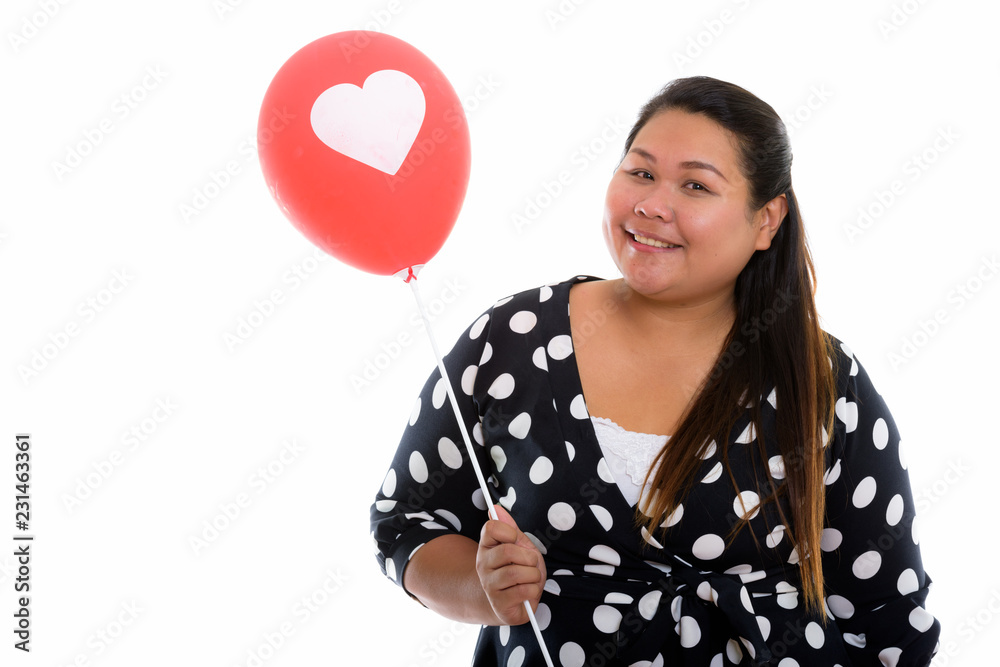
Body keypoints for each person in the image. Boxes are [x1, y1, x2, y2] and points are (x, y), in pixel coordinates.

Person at [370, 76, 940, 666]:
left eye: (695, 185)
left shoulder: (824, 382)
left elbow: (889, 622)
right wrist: (481, 589)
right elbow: (404, 521)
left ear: (767, 220)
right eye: (640, 172)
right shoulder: (515, 340)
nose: (651, 205)